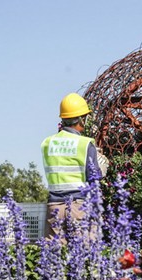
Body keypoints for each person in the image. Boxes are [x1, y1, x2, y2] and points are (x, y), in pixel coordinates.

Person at [41, 93, 102, 241]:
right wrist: (102, 164)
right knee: (84, 255)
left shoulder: (47, 143)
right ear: (82, 119)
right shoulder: (85, 144)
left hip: (54, 206)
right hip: (78, 207)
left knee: (54, 258)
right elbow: (94, 176)